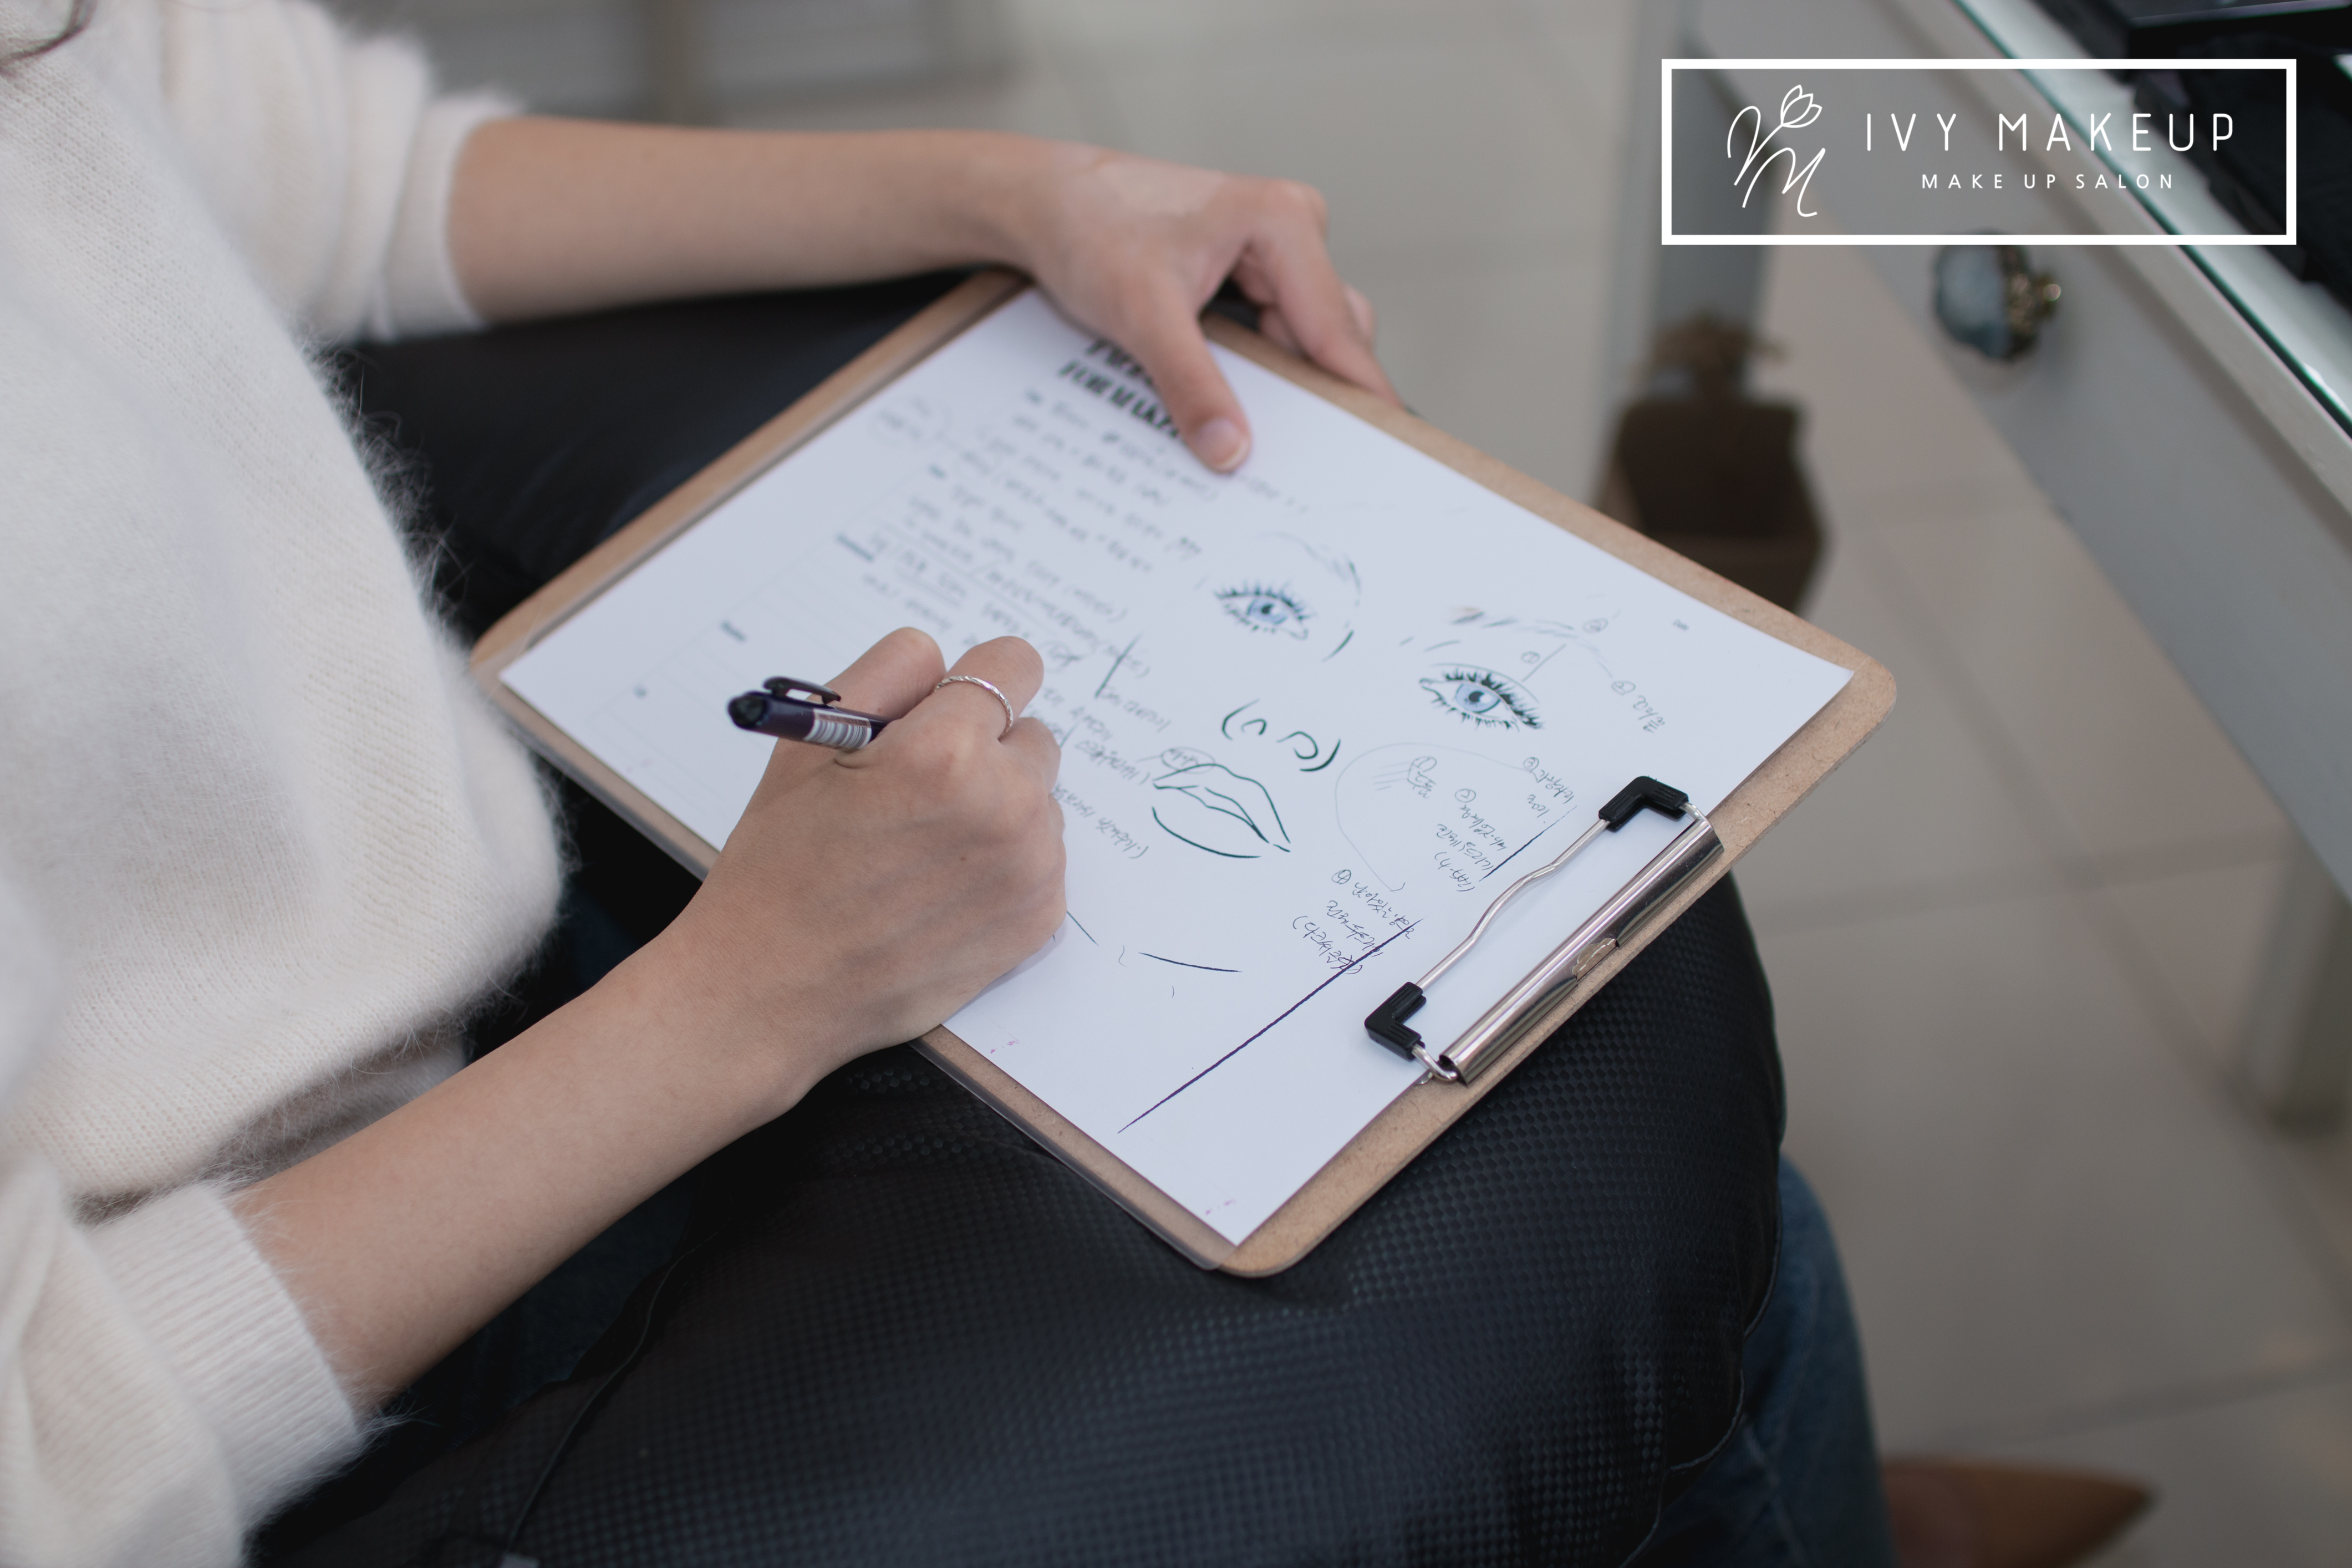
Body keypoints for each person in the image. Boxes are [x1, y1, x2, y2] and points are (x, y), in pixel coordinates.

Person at [0, 1, 1906, 1562]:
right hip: (295, 1342)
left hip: (454, 959)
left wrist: (1018, 192)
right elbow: (51, 1459)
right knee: (1603, 1303)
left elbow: (303, 163)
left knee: (1723, 1236)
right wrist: (748, 997)